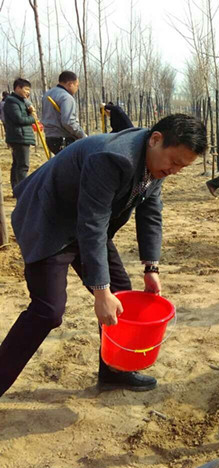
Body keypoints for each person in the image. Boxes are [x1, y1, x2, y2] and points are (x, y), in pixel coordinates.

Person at [0, 114, 207, 398]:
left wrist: (151, 267)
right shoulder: (113, 157)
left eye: (182, 167)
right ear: (156, 139)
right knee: (48, 310)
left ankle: (113, 371)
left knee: (120, 294)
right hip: (48, 219)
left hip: (84, 221)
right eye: (174, 162)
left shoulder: (156, 164)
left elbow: (150, 212)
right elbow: (93, 223)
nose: (175, 171)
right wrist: (100, 290)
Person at [41, 70, 87, 155]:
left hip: (50, 138)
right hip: (63, 139)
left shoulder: (48, 94)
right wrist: (82, 135)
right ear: (70, 84)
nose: (77, 89)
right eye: (77, 86)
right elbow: (68, 122)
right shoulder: (66, 97)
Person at [3, 78, 36, 195]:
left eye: (29, 90)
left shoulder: (20, 101)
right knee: (23, 166)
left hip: (20, 136)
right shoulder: (12, 102)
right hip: (19, 137)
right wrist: (33, 118)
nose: (28, 92)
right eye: (26, 89)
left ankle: (16, 189)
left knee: (17, 164)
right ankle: (23, 191)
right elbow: (19, 119)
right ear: (17, 88)